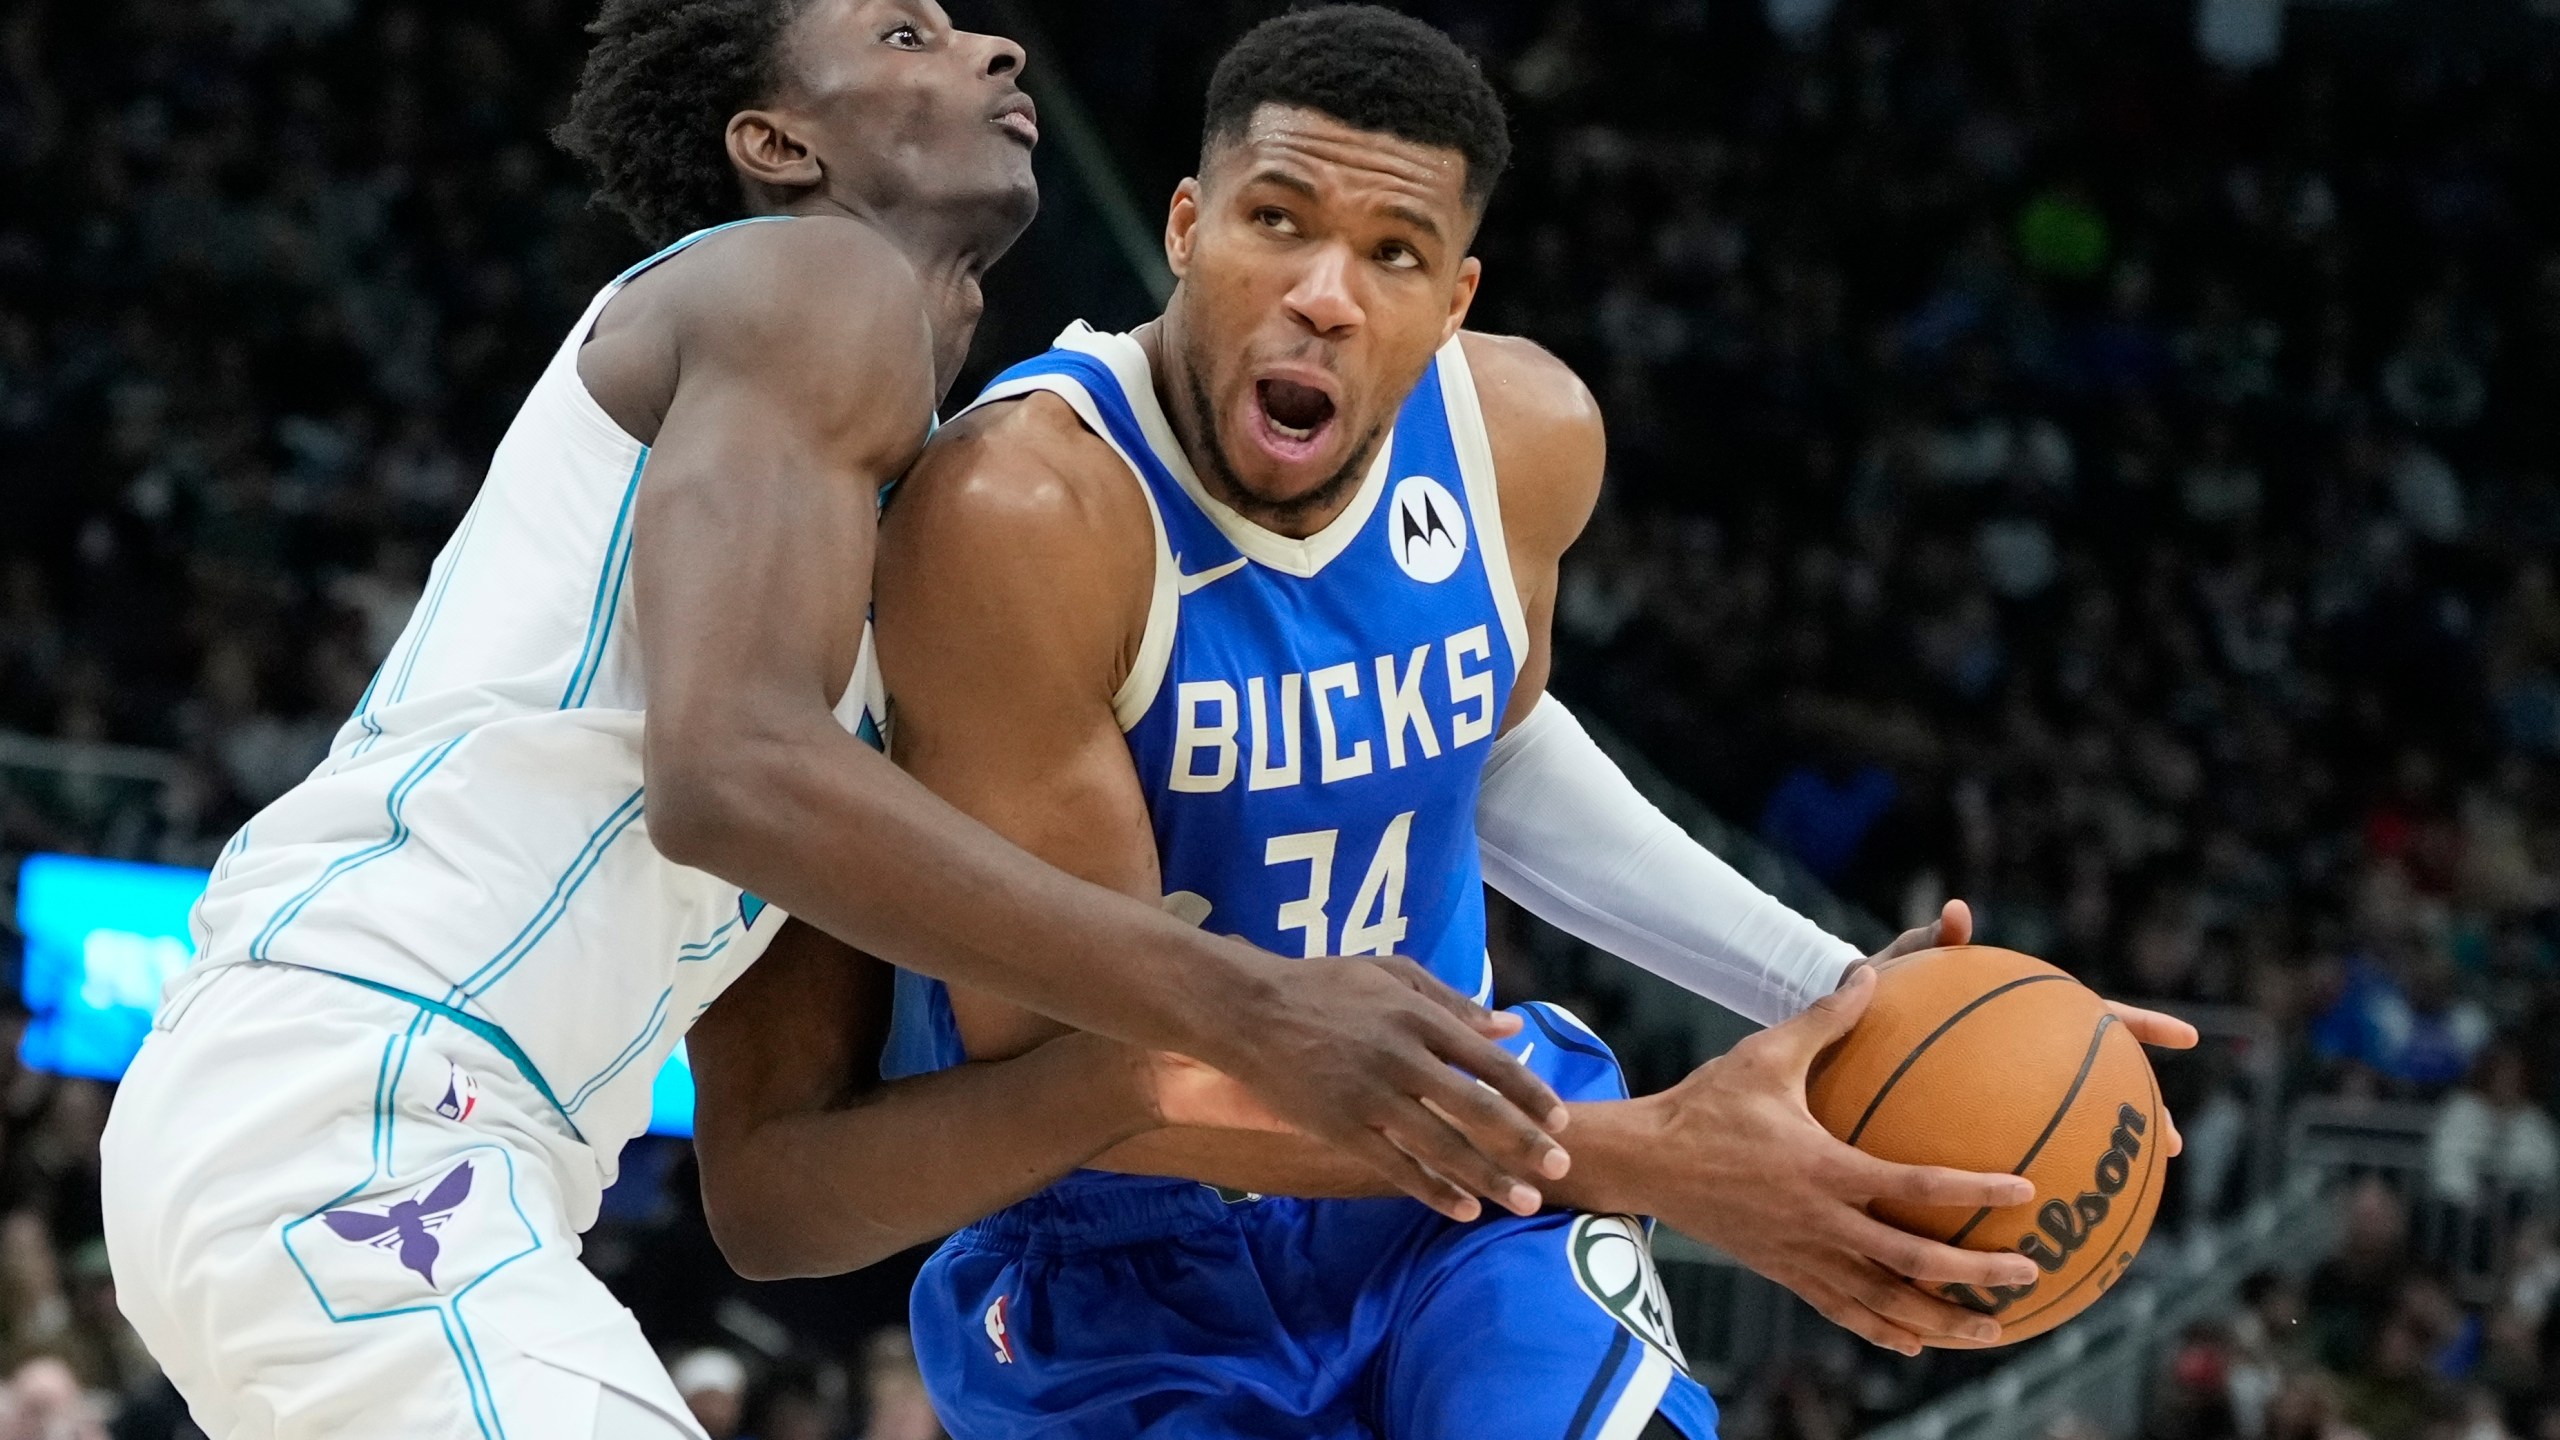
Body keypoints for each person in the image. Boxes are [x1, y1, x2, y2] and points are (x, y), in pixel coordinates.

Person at [688, 9, 2195, 1437]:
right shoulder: (1021, 516)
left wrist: (1846, 989)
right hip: (1130, 1249)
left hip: (1469, 1184)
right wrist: (1647, 1156)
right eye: (1278, 222)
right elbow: (1099, 1080)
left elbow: (1493, 740)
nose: (1327, 294)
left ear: (1455, 296)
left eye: (1393, 252)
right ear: (1186, 230)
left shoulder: (1521, 435)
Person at [97, 5, 1571, 1438]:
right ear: (776, 140)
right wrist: (1244, 1002)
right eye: (904, 37)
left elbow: (778, 1201)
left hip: (460, 1154)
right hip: (358, 1101)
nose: (994, 45)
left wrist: (1126, 1074)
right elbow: (727, 778)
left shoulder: (855, 553)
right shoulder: (809, 281)